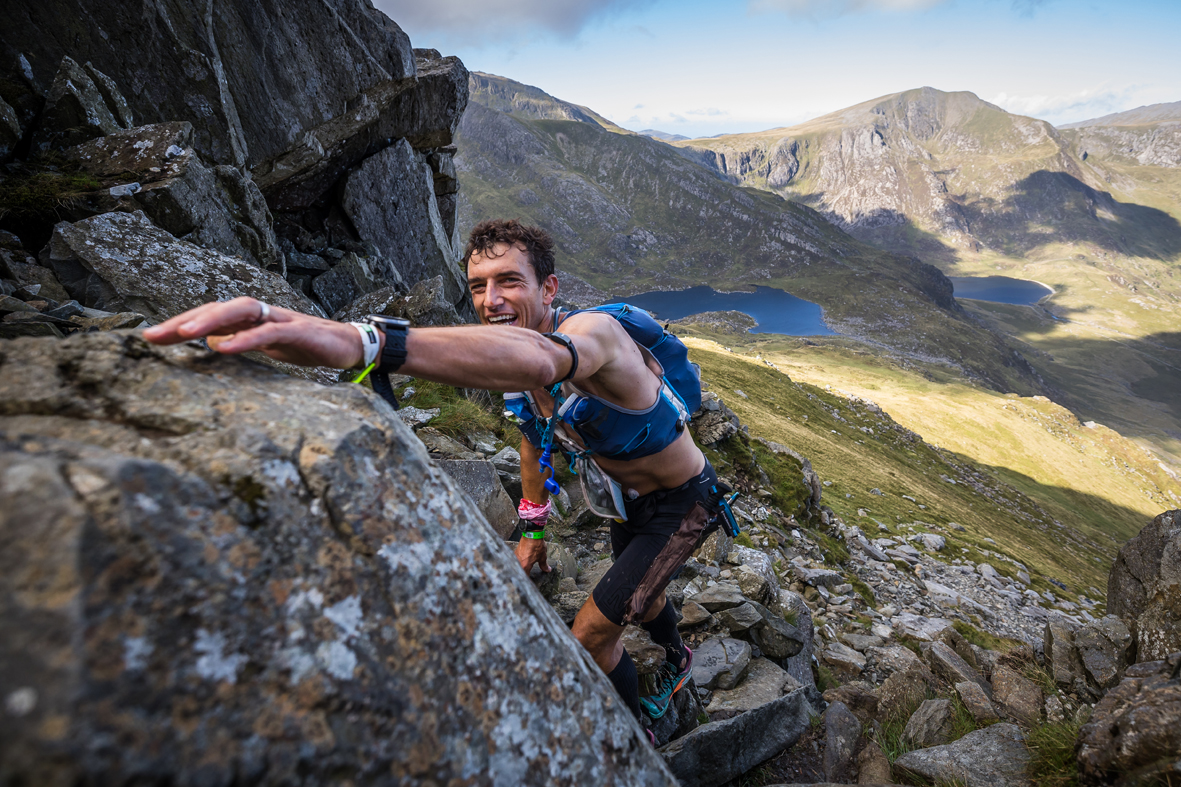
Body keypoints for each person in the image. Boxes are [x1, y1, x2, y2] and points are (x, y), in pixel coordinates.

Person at [143, 219, 720, 732]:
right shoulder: (522, 380)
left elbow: (544, 358)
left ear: (549, 289)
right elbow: (532, 441)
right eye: (477, 286)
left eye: (509, 282)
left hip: (681, 503)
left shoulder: (597, 335)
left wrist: (363, 342)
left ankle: (630, 743)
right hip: (627, 504)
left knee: (592, 634)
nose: (490, 299)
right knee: (643, 598)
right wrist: (534, 529)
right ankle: (678, 655)